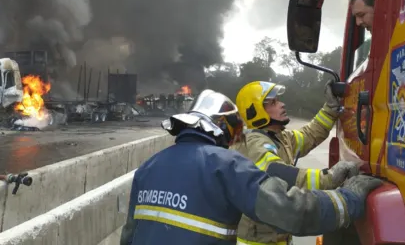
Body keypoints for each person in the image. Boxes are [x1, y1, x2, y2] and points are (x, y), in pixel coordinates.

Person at [119, 89, 383, 245]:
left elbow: (129, 235)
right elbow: (292, 210)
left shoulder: (149, 167)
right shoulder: (227, 165)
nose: (236, 139)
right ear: (222, 127)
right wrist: (348, 199)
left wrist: (329, 109)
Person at [231, 80, 356, 245]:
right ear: (256, 111)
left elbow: (310, 134)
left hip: (276, 235)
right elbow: (278, 174)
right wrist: (330, 177)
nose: (282, 105)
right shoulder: (254, 142)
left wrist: (330, 109)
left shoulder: (280, 137)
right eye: (273, 103)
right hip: (258, 241)